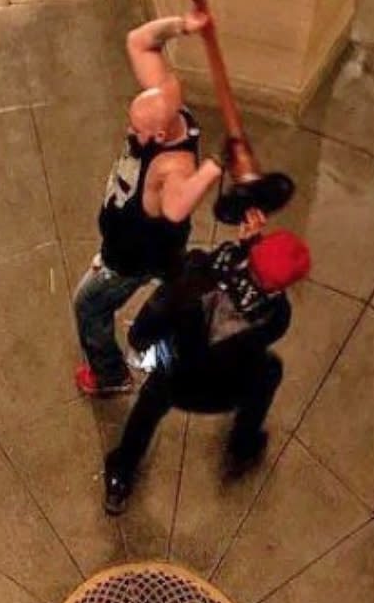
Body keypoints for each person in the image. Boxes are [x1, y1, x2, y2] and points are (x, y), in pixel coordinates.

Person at [102, 210, 311, 514]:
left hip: (172, 375)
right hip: (222, 388)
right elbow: (251, 297)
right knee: (270, 371)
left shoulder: (198, 269)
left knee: (147, 409)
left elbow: (161, 310)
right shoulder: (276, 317)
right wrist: (251, 248)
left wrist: (142, 344)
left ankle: (121, 474)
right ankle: (243, 444)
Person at [74, 11, 228, 397]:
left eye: (137, 130)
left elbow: (177, 209)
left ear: (160, 133)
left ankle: (109, 376)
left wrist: (213, 166)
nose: (130, 132)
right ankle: (181, 310)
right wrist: (181, 26)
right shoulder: (167, 100)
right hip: (149, 245)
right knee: (170, 271)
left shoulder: (174, 167)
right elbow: (139, 41)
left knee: (88, 305)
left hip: (130, 257)